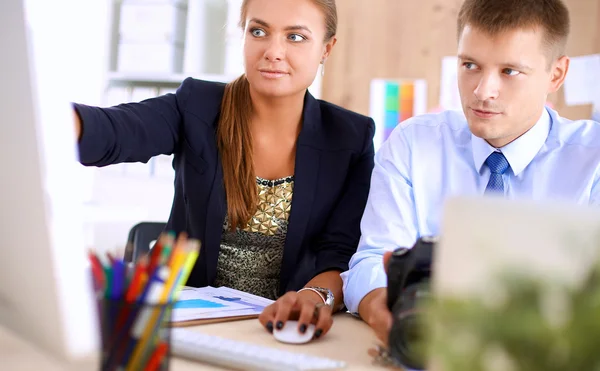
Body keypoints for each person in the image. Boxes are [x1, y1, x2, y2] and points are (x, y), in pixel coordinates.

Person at [74, 0, 374, 339]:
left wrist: (313, 297)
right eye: (258, 31)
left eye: (296, 37)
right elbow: (117, 130)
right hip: (178, 326)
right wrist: (54, 120)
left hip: (278, 333)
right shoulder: (197, 105)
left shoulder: (350, 138)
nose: (273, 51)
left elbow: (339, 254)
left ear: (326, 48)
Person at [341, 0, 600, 343]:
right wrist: (383, 312)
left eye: (509, 71)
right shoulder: (414, 143)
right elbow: (371, 260)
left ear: (556, 74)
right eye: (470, 65)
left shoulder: (592, 161)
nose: (482, 91)